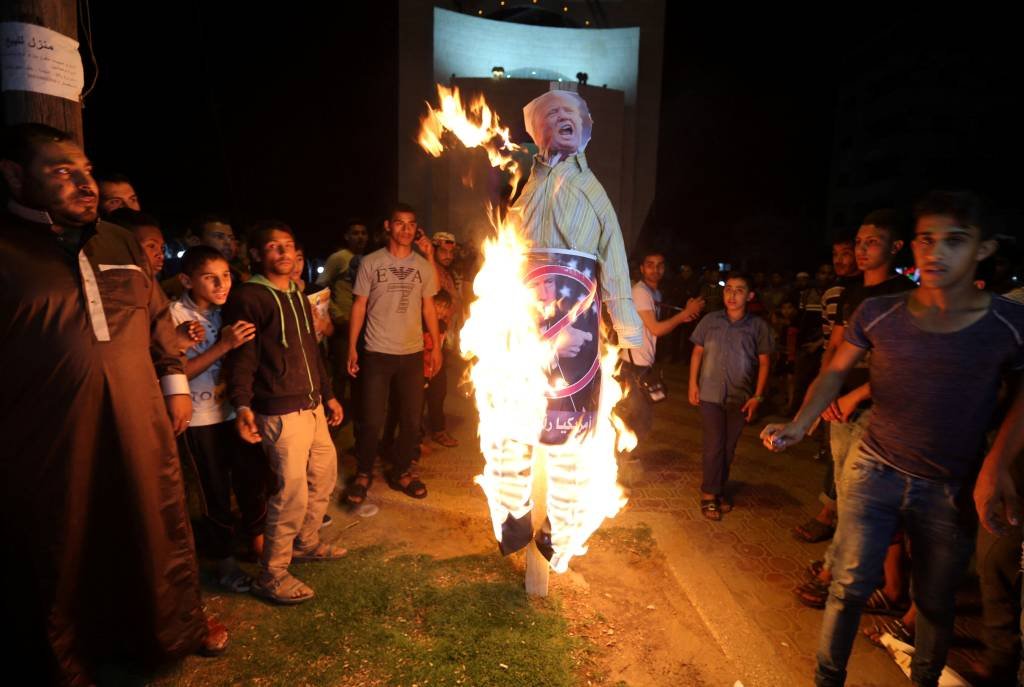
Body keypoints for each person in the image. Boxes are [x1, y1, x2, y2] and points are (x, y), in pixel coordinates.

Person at [763, 191, 1024, 687]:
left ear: (983, 250)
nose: (936, 252)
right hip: (873, 470)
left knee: (935, 600)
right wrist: (800, 422)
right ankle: (827, 679)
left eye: (955, 240)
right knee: (848, 587)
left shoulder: (1008, 324)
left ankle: (923, 678)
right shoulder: (880, 312)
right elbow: (835, 372)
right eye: (927, 239)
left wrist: (996, 465)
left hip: (950, 484)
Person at [0, 124, 224, 683]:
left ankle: (172, 630)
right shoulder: (5, 249)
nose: (85, 184)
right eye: (61, 171)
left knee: (154, 521)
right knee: (61, 537)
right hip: (47, 430)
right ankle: (66, 659)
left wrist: (173, 386)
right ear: (13, 175)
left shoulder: (118, 243)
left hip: (138, 416)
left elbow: (155, 323)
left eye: (86, 171)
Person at [794, 210, 916, 610]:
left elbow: (903, 366)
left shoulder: (904, 296)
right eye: (858, 243)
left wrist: (857, 395)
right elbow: (836, 350)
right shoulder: (852, 293)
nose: (861, 251)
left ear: (896, 247)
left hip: (876, 411)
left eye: (872, 243)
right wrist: (818, 394)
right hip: (839, 407)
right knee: (851, 495)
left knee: (857, 498)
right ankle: (876, 578)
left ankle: (836, 573)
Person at [224, 220, 346, 605]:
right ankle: (272, 574)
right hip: (278, 410)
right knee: (289, 493)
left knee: (323, 475)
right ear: (257, 255)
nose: (284, 254)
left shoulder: (296, 293)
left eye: (289, 247)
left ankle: (306, 542)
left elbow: (311, 351)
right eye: (274, 248)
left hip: (310, 405)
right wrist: (242, 405)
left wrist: (328, 395)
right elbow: (243, 357)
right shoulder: (250, 297)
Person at [170, 245, 268, 592]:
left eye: (225, 275)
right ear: (187, 280)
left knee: (250, 478)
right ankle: (224, 560)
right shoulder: (175, 316)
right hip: (200, 417)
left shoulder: (229, 311)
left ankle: (257, 543)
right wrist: (223, 347)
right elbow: (177, 372)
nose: (221, 284)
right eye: (210, 277)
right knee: (214, 490)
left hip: (234, 412)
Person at [346, 204, 441, 505]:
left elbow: (429, 307)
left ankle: (402, 471)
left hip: (412, 353)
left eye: (411, 224)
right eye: (400, 224)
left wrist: (435, 346)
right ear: (388, 226)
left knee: (412, 420)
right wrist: (352, 347)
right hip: (377, 352)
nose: (406, 229)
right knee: (372, 419)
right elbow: (359, 305)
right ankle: (363, 473)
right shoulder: (371, 263)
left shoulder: (423, 266)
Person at [793, 236, 861, 543]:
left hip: (858, 389)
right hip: (835, 380)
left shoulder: (880, 294)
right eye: (837, 254)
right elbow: (831, 342)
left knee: (852, 462)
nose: (841, 260)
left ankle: (836, 518)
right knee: (837, 453)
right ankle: (833, 514)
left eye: (848, 253)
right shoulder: (834, 293)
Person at [689, 272, 773, 521]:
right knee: (714, 445)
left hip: (740, 396)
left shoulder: (758, 327)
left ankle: (718, 489)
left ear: (750, 296)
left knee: (728, 448)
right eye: (729, 289)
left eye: (739, 290)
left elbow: (765, 363)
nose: (732, 295)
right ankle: (708, 495)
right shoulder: (710, 321)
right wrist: (693, 384)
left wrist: (757, 397)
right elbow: (697, 353)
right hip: (710, 394)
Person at [618, 250, 703, 439]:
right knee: (637, 418)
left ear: (664, 269)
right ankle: (626, 462)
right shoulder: (640, 292)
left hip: (642, 361)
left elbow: (652, 327)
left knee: (639, 416)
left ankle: (627, 459)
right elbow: (656, 329)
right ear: (641, 268)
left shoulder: (654, 292)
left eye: (659, 265)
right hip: (634, 365)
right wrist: (683, 314)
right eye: (650, 264)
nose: (655, 269)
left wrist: (683, 316)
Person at [422, 230, 461, 448]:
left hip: (442, 337)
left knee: (438, 388)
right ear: (434, 249)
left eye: (451, 252)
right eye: (443, 251)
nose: (448, 255)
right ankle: (414, 438)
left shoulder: (448, 273)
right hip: (424, 338)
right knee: (419, 390)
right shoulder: (429, 269)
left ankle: (437, 429)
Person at [316, 219, 368, 288]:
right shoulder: (338, 258)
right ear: (346, 236)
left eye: (363, 233)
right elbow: (321, 283)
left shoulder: (369, 258)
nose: (360, 237)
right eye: (355, 233)